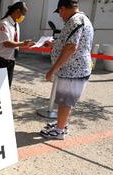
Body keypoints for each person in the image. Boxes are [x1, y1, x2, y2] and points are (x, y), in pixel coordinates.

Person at [40, 0, 94, 140]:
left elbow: (71, 47)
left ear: (63, 8)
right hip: (75, 69)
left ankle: (59, 131)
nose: (60, 15)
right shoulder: (82, 19)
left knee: (65, 101)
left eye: (59, 12)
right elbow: (70, 42)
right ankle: (61, 124)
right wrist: (55, 44)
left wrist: (53, 70)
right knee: (65, 100)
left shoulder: (75, 21)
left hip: (73, 70)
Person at [0, 1, 35, 88]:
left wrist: (25, 45)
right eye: (23, 13)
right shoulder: (4, 24)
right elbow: (6, 43)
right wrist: (22, 43)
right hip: (0, 61)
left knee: (6, 87)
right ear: (17, 11)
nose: (24, 16)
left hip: (11, 61)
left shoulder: (16, 25)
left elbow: (15, 43)